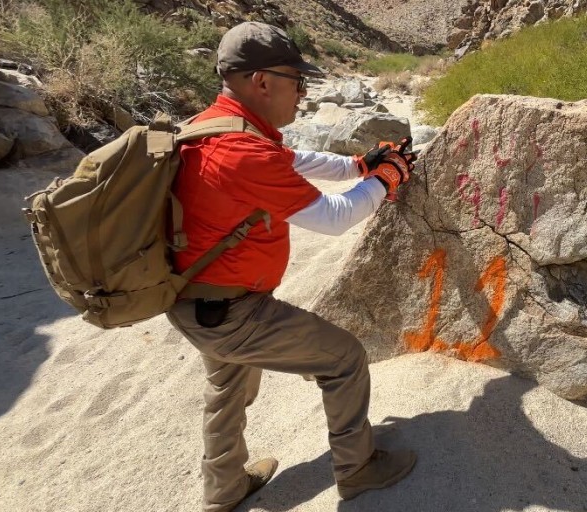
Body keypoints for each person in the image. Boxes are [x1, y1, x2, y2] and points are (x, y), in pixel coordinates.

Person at [165, 22, 417, 512]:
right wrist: (388, 178)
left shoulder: (213, 125)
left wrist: (360, 167)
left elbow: (295, 159)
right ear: (262, 82)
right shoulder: (242, 151)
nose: (302, 94)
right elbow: (334, 217)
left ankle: (224, 491)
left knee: (227, 389)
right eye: (297, 82)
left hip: (195, 302)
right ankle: (359, 469)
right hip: (233, 312)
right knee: (343, 359)